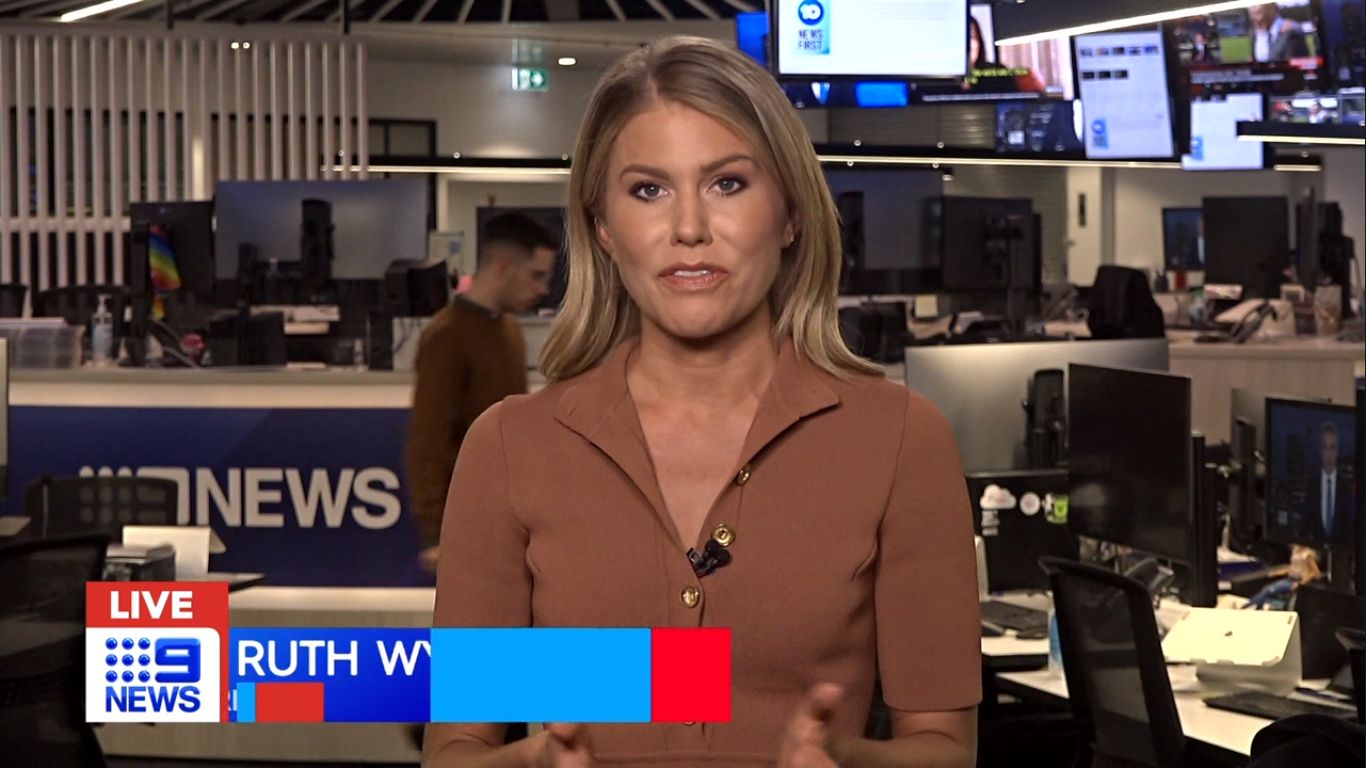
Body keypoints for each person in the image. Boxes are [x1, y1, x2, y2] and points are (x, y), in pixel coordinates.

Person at [425, 36, 980, 766]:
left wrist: (850, 761)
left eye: (727, 184)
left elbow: (944, 747)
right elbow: (457, 749)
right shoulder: (510, 448)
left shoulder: (901, 439)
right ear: (603, 229)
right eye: (648, 191)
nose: (689, 229)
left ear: (790, 214)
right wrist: (528, 764)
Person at [404, 212, 557, 570]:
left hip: (510, 518)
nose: (543, 289)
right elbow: (429, 441)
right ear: (503, 267)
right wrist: (435, 535)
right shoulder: (447, 337)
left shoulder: (509, 328)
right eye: (536, 275)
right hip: (467, 522)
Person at [1303, 422, 1354, 547]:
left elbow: (1351, 531)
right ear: (1319, 451)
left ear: (1338, 451)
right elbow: (1304, 527)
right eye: (1324, 447)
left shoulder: (1346, 489)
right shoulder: (1311, 486)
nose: (1329, 454)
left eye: (1333, 447)